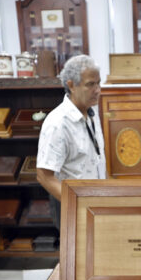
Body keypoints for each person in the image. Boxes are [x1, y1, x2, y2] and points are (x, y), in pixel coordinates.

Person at [36, 55, 106, 230]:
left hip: (93, 202)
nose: (98, 90)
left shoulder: (91, 113)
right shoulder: (58, 123)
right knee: (76, 256)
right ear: (71, 85)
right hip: (71, 205)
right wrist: (78, 202)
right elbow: (44, 176)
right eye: (91, 84)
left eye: (99, 83)